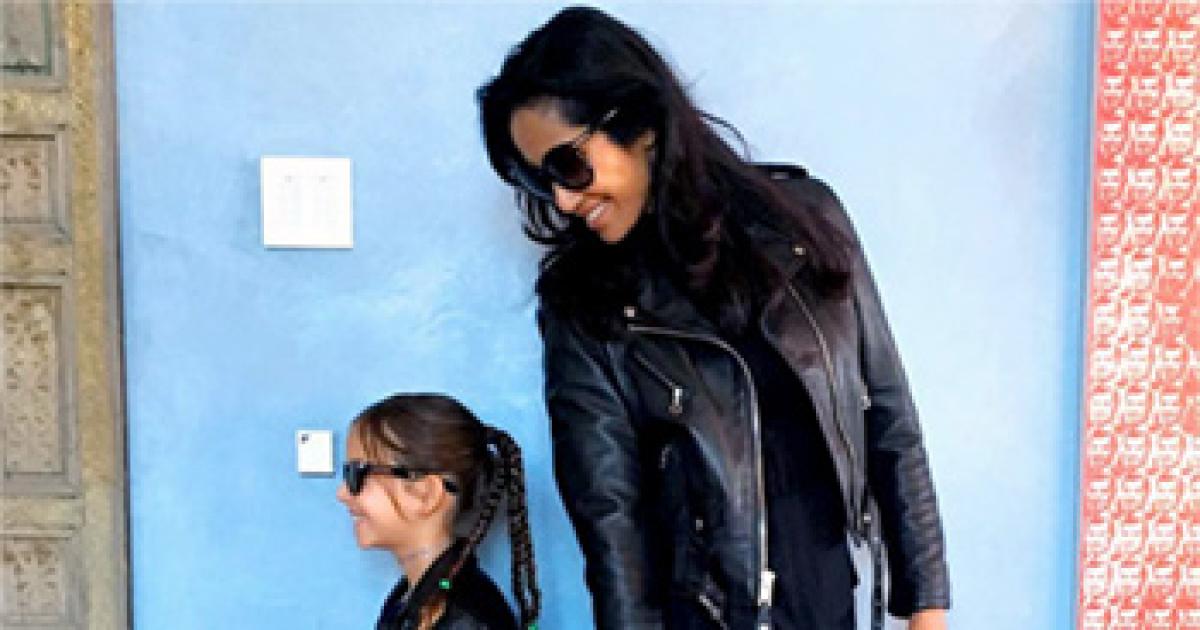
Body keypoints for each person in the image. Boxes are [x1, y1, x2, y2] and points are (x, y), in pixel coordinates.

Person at [476, 7, 950, 630]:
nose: (563, 200)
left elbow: (888, 417)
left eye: (568, 165)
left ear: (640, 125)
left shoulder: (805, 222)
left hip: (829, 599)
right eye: (540, 181)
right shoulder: (584, 306)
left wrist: (927, 605)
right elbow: (612, 523)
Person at [336, 393, 540, 630]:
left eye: (357, 473)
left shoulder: (463, 618)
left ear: (425, 493)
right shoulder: (413, 598)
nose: (342, 493)